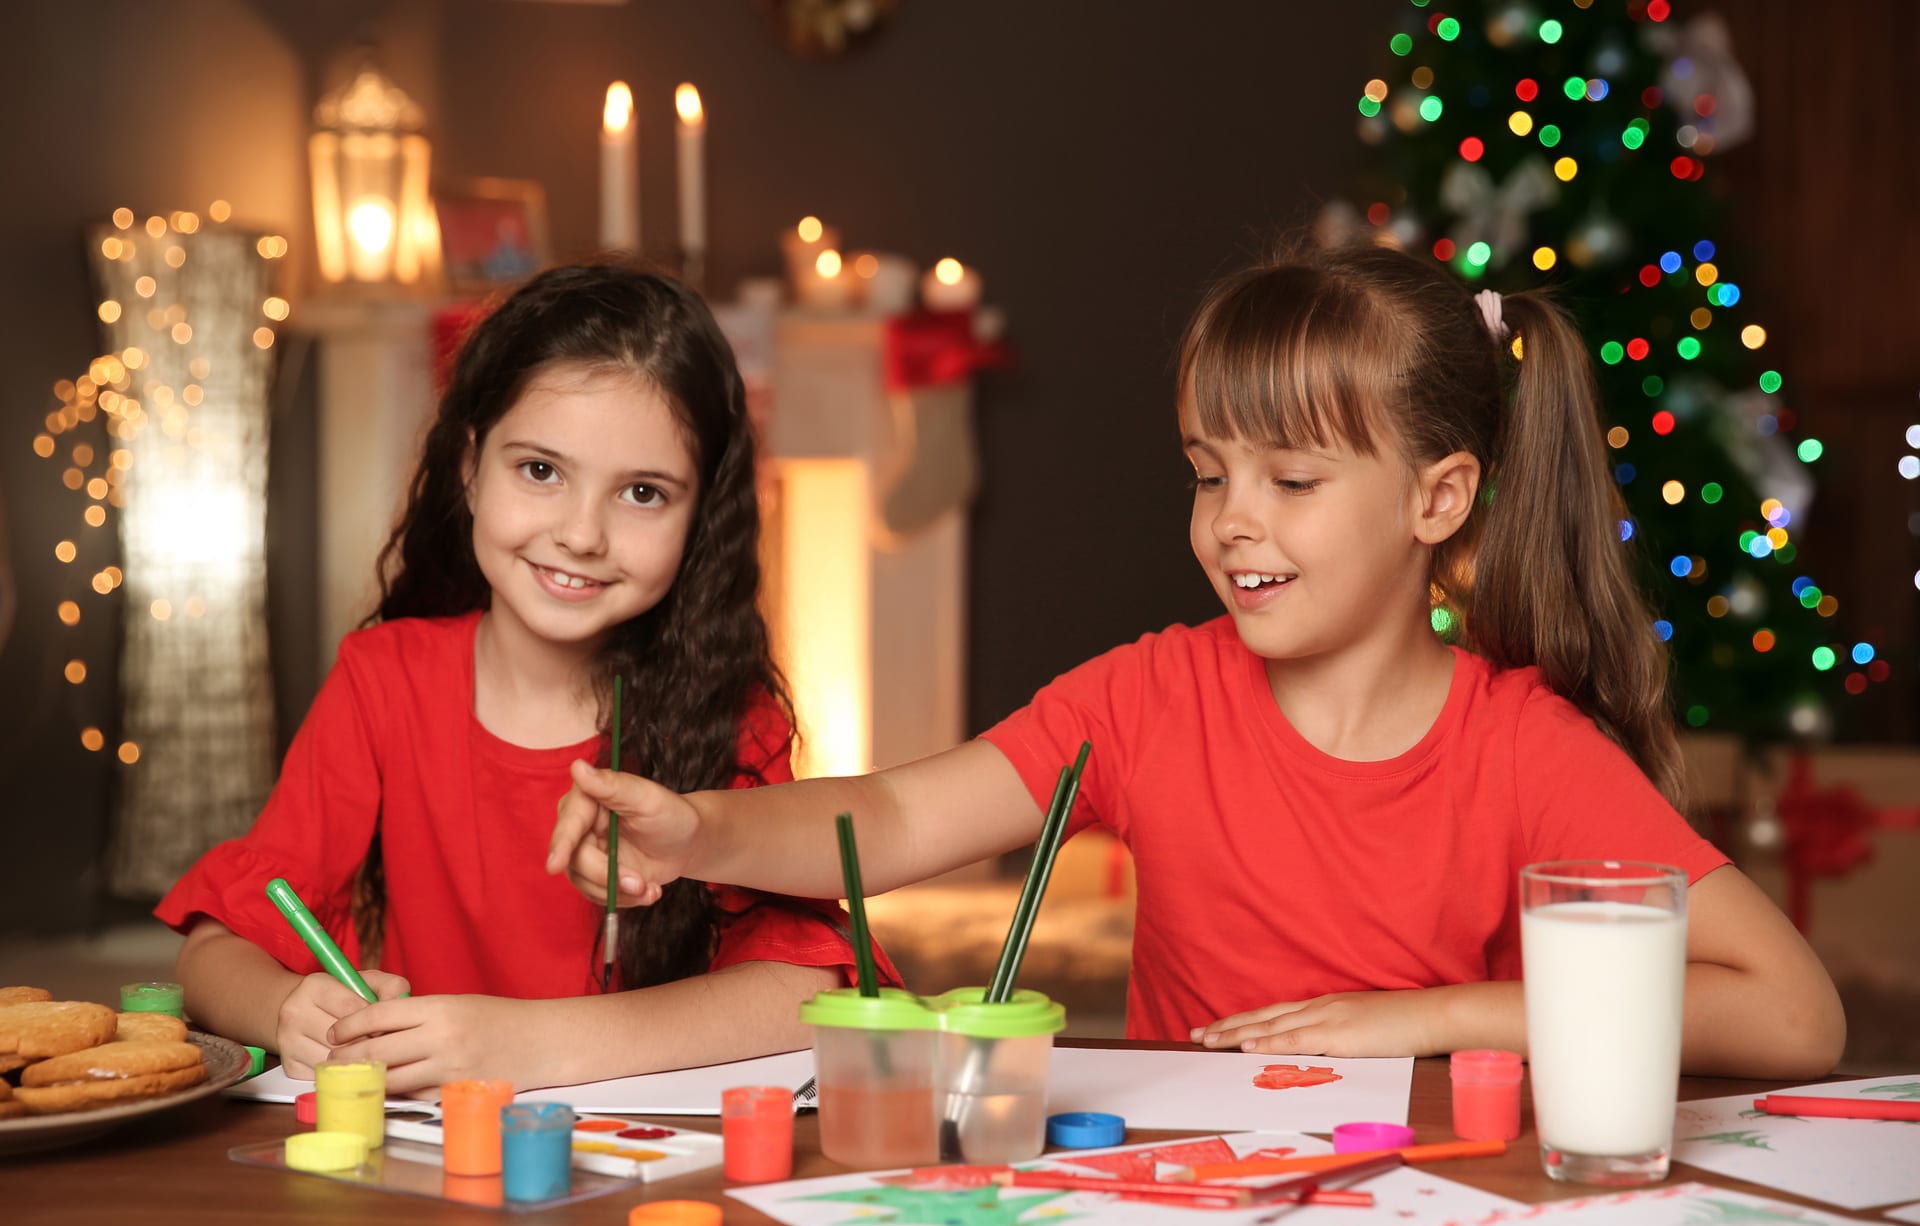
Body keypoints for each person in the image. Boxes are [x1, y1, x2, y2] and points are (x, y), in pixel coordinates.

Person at [548, 244, 1845, 1080]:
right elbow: (889, 815)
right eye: (1209, 474)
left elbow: (1794, 1015)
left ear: (1438, 500)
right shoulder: (1146, 696)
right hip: (1189, 1199)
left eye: (1292, 479)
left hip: (1437, 1197)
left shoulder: (1526, 749)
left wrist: (1432, 1015)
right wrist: (698, 828)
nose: (1232, 520)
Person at [160, 263, 896, 1094]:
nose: (582, 534)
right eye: (541, 470)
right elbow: (215, 948)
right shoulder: (384, 682)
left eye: (644, 493)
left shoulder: (728, 709)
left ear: (700, 523)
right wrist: (287, 1004)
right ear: (471, 466)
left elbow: (811, 986)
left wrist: (531, 1042)